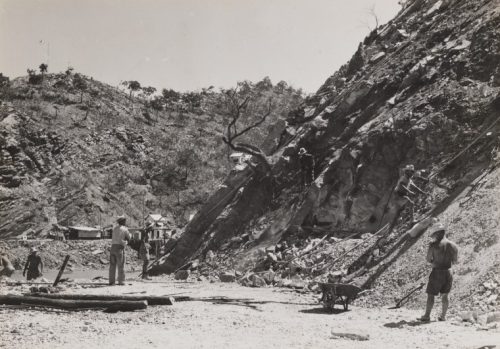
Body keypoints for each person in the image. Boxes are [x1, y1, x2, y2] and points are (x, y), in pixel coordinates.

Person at [418, 223, 458, 322]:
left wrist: (434, 262)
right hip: (448, 272)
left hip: (437, 272)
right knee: (445, 295)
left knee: (431, 295)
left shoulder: (433, 245)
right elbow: (455, 261)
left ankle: (427, 316)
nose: (434, 236)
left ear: (438, 233)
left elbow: (428, 259)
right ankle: (443, 316)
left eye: (435, 234)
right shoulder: (453, 245)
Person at [109, 215, 130, 286]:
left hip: (112, 248)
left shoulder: (114, 228)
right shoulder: (125, 229)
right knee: (121, 265)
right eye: (125, 221)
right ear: (123, 221)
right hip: (119, 248)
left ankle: (112, 282)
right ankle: (121, 281)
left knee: (112, 265)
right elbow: (129, 238)